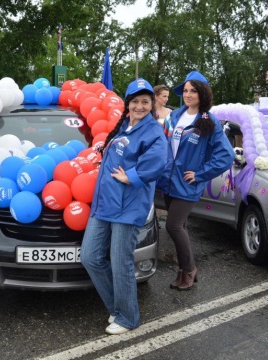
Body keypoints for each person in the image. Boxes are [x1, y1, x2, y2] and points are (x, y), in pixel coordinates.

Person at [80, 78, 167, 335]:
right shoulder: (124, 127)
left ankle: (128, 317)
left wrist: (133, 176)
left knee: (121, 263)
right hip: (105, 203)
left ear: (151, 104)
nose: (139, 106)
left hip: (128, 205)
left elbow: (159, 160)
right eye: (135, 101)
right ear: (127, 104)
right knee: (90, 256)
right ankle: (117, 309)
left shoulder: (152, 130)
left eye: (145, 102)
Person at [157, 70, 234, 291]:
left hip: (187, 184)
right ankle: (182, 271)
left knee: (172, 225)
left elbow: (225, 156)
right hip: (169, 181)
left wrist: (200, 174)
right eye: (186, 90)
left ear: (202, 93)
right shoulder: (174, 116)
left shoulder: (208, 122)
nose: (188, 95)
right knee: (180, 226)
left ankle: (190, 268)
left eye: (193, 91)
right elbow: (164, 145)